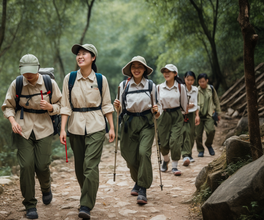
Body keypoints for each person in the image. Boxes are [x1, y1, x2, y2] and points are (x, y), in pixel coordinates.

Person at [1, 54, 62, 219]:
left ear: (38, 69)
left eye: (31, 72)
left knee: (42, 165)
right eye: (25, 72)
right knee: (26, 166)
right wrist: (12, 122)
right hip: (23, 128)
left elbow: (61, 105)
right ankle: (30, 205)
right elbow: (8, 106)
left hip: (44, 128)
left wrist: (50, 107)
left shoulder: (49, 83)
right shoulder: (17, 84)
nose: (28, 75)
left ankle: (46, 187)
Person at [59, 44, 115, 219]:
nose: (80, 56)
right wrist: (62, 129)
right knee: (79, 167)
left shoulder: (100, 79)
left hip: (96, 125)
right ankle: (88, 193)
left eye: (84, 54)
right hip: (75, 127)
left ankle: (85, 205)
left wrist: (111, 126)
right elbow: (65, 107)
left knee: (90, 166)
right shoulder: (69, 79)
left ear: (93, 58)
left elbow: (106, 104)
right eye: (78, 54)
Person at [113, 56, 158, 204]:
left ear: (144, 69)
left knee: (143, 152)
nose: (136, 69)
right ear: (130, 70)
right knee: (129, 155)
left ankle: (143, 189)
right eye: (134, 67)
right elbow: (119, 109)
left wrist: (157, 111)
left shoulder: (151, 85)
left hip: (146, 122)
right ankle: (138, 181)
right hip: (129, 123)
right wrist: (117, 107)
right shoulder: (124, 85)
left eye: (140, 66)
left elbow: (158, 107)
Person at [157, 64, 188, 176]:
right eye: (164, 71)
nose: (166, 73)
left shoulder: (181, 87)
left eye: (169, 71)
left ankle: (175, 166)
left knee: (175, 141)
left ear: (175, 74)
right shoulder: (159, 87)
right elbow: (157, 104)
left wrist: (183, 116)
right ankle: (166, 160)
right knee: (163, 143)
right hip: (163, 116)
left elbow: (184, 104)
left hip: (177, 115)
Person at [195, 73, 221, 157]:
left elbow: (216, 101)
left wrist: (218, 113)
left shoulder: (211, 89)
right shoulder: (196, 90)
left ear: (207, 80)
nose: (202, 83)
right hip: (198, 115)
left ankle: (208, 144)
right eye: (200, 81)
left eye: (203, 81)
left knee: (211, 131)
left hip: (209, 114)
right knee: (198, 135)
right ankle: (200, 150)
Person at [181, 71, 200, 166]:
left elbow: (197, 103)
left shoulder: (196, 89)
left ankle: (189, 153)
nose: (189, 82)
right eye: (188, 80)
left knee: (192, 134)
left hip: (192, 114)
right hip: (183, 114)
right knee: (185, 132)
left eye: (192, 80)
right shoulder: (181, 89)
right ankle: (185, 155)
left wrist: (197, 115)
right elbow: (179, 103)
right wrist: (187, 106)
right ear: (184, 79)